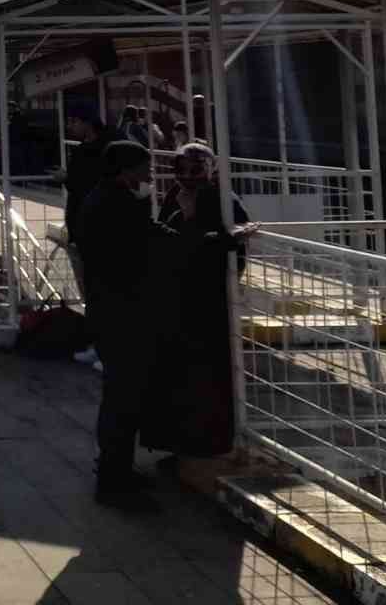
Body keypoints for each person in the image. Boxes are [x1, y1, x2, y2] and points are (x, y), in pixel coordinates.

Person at [143, 144, 255, 464]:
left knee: (207, 376)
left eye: (196, 169)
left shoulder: (223, 200)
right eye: (183, 169)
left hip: (208, 300)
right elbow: (167, 241)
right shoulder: (174, 197)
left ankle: (206, 443)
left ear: (209, 169)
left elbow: (226, 247)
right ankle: (180, 443)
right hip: (177, 297)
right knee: (178, 376)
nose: (188, 176)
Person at [80, 141, 160, 510]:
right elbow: (139, 250)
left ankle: (115, 468)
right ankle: (114, 480)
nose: (149, 174)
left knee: (119, 395)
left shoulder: (103, 198)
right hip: (122, 315)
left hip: (109, 311)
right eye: (144, 167)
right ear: (126, 169)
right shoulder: (117, 205)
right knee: (123, 398)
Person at [61, 105, 114, 370]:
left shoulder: (97, 151)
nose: (70, 127)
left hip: (93, 232)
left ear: (87, 122)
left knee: (99, 292)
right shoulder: (99, 148)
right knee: (93, 292)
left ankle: (107, 349)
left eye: (73, 121)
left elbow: (79, 183)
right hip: (84, 231)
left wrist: (66, 178)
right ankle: (99, 345)